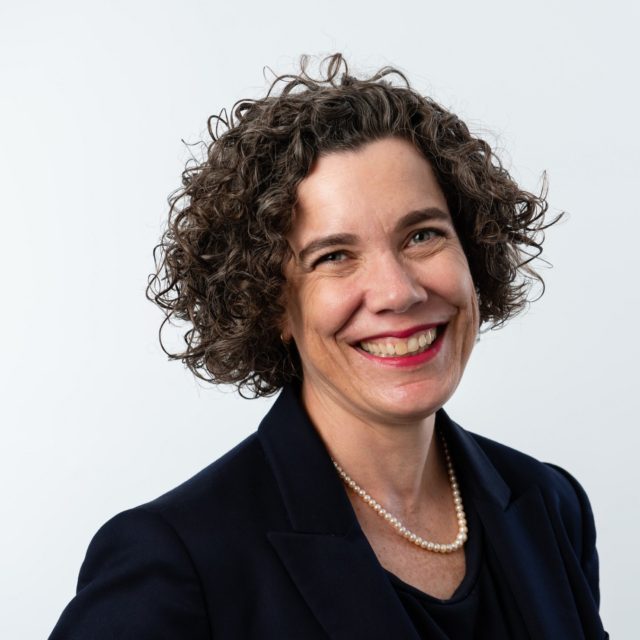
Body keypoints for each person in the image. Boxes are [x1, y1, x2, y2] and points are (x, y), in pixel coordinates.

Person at [49, 54, 607, 639]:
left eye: (422, 235)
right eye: (334, 256)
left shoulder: (550, 506)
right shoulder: (177, 561)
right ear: (269, 303)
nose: (398, 292)